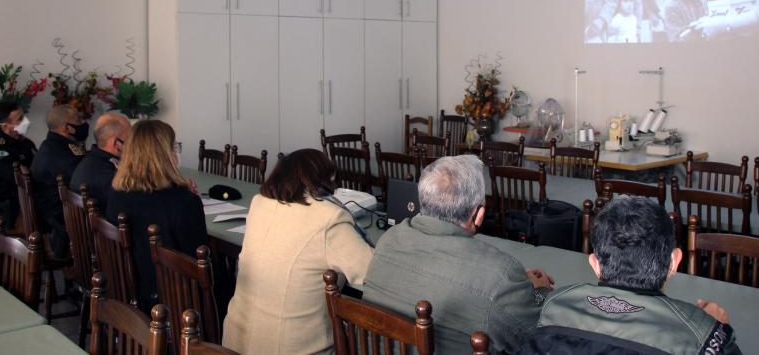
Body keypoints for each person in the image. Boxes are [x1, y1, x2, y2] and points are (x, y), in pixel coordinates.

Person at [362, 155, 554, 354]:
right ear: (478, 215)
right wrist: (539, 292)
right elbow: (536, 336)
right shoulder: (500, 275)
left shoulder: (389, 239)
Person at [522, 196, 740, 354]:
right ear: (674, 261)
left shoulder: (553, 305)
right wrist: (714, 329)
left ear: (595, 264)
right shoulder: (701, 334)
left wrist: (541, 292)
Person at [222, 149, 373, 355]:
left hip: (234, 343)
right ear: (324, 182)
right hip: (294, 348)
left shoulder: (259, 203)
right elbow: (370, 275)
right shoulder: (328, 218)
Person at [106, 120, 208, 311]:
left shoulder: (117, 194)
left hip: (130, 291)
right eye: (174, 147)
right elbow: (199, 259)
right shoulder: (183, 202)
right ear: (165, 154)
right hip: (176, 300)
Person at [31, 104, 87, 257]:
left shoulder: (56, 145)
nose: (83, 123)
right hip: (61, 220)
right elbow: (81, 181)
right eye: (78, 120)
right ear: (66, 127)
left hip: (60, 211)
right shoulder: (57, 152)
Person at [0, 100, 36, 229]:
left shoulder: (25, 143)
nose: (25, 121)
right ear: (6, 126)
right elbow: (21, 179)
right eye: (20, 119)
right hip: (16, 209)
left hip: (30, 199)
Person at [70, 113, 130, 214]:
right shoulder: (108, 176)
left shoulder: (91, 160)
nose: (133, 145)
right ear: (116, 144)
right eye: (130, 140)